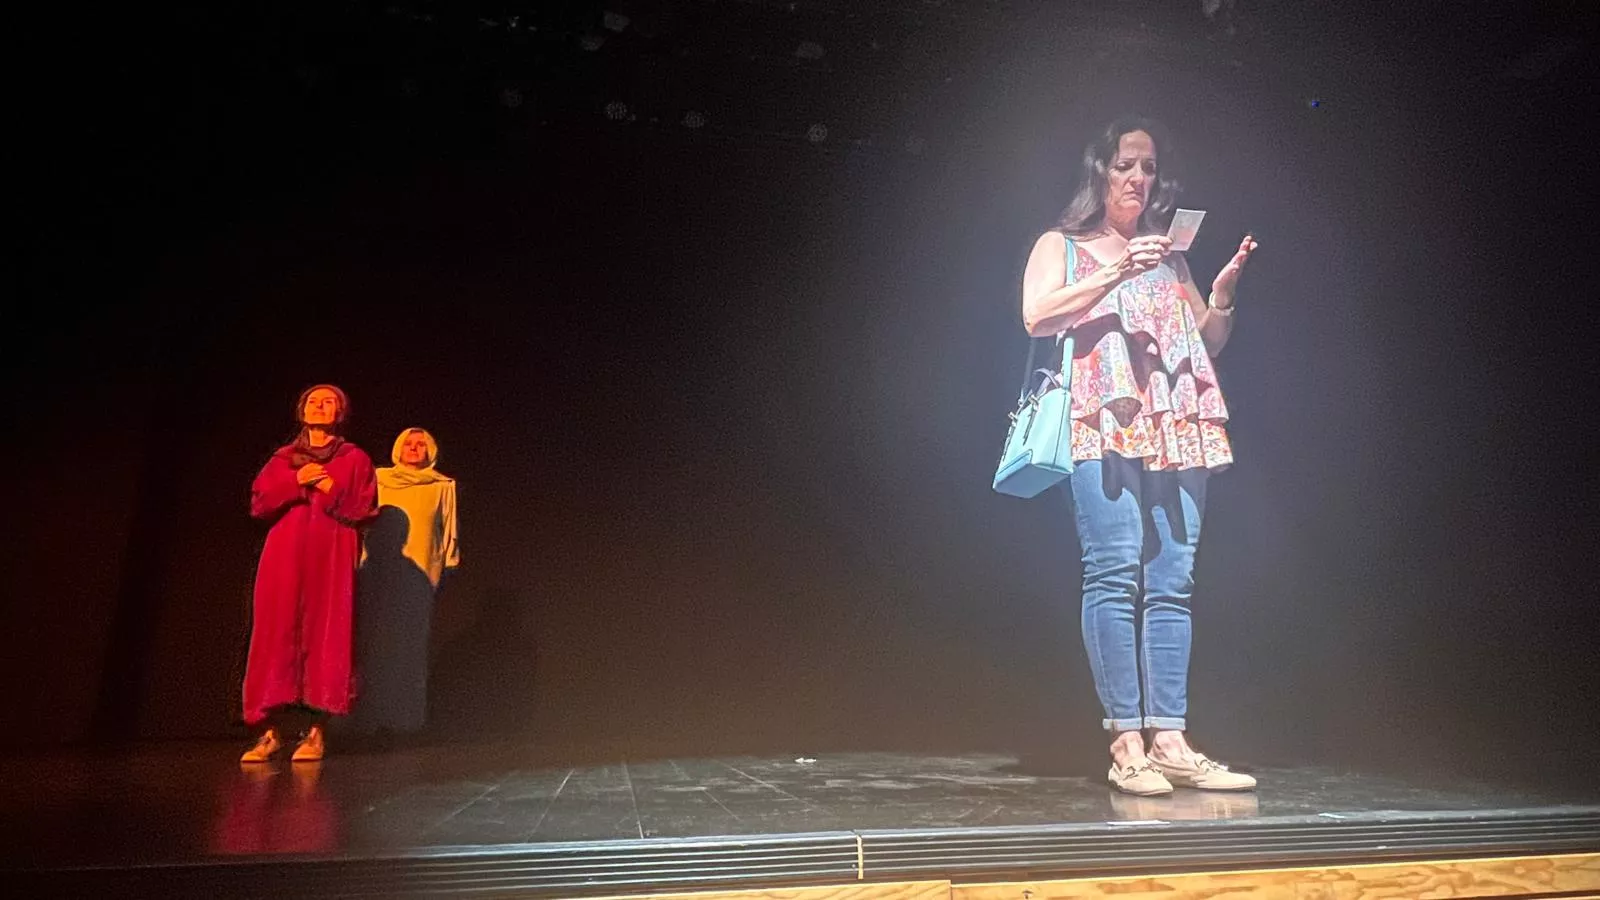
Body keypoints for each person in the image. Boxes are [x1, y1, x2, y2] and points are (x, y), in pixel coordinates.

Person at [1020, 116, 1259, 796]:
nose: (1139, 179)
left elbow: (1208, 339)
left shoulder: (1167, 256)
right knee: (1115, 571)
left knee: (1174, 580)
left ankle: (1172, 740)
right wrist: (1114, 270)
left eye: (1149, 168)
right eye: (1127, 165)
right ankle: (1127, 742)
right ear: (1100, 171)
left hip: (1174, 418)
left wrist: (1221, 295)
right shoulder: (1061, 245)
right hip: (1103, 416)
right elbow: (1037, 315)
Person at [240, 385, 377, 762]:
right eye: (313, 401)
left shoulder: (354, 459)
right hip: (284, 559)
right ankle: (268, 733)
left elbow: (363, 508)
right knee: (274, 635)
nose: (319, 406)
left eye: (328, 402)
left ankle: (316, 733)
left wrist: (330, 486)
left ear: (340, 413)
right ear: (302, 411)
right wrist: (296, 481)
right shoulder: (284, 458)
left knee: (327, 635)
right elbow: (260, 502)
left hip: (330, 558)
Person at [353, 428, 460, 737]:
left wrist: (443, 571)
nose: (414, 449)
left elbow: (447, 532)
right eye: (408, 444)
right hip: (377, 571)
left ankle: (403, 722)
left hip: (419, 577)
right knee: (371, 642)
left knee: (408, 647)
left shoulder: (441, 486)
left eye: (421, 444)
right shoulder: (378, 479)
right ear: (397, 448)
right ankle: (365, 720)